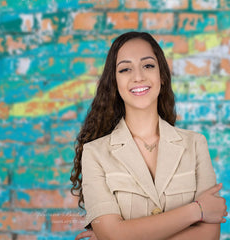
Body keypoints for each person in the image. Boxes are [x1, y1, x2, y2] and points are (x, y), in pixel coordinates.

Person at [70, 31, 227, 240]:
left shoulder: (195, 144)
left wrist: (122, 235)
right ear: (115, 83)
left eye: (148, 65)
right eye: (125, 69)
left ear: (161, 75)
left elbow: (209, 235)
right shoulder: (94, 153)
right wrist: (197, 210)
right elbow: (112, 235)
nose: (138, 76)